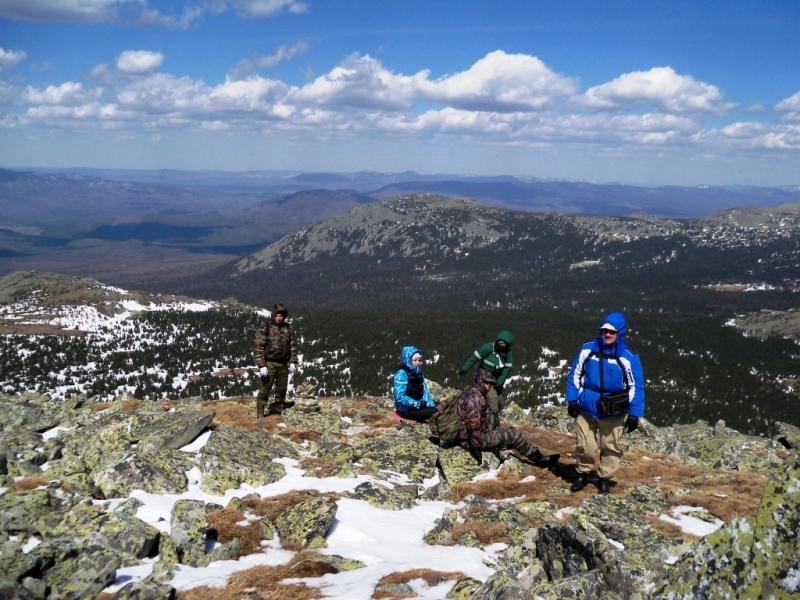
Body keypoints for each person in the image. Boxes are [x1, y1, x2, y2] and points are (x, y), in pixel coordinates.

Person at [565, 311, 645, 494]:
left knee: (610, 447)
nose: (607, 335)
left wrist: (634, 415)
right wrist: (572, 400)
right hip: (586, 407)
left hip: (613, 410)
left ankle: (604, 478)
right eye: (604, 331)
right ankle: (582, 474)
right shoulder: (587, 349)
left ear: (619, 333)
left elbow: (636, 386)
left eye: (612, 332)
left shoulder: (627, 356)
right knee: (585, 446)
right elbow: (575, 375)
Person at [457, 367, 559, 468]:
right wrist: (476, 450)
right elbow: (474, 426)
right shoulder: (473, 399)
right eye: (486, 383)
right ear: (480, 380)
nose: (489, 386)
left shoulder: (470, 389)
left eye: (490, 383)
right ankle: (539, 459)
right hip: (471, 440)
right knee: (514, 435)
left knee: (493, 417)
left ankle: (503, 443)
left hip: (464, 434)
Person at [459, 330, 514, 430]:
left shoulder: (508, 354)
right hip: (484, 378)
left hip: (496, 379)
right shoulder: (489, 347)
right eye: (499, 344)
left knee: (500, 401)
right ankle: (494, 426)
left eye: (503, 345)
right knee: (492, 399)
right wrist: (464, 369)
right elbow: (474, 358)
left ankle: (490, 419)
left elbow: (506, 369)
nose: (500, 347)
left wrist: (500, 382)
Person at [254, 303, 298, 418]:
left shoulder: (288, 328)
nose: (279, 318)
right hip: (270, 363)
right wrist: (262, 365)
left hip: (283, 364)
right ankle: (260, 412)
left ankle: (279, 409)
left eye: (281, 316)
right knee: (265, 387)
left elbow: (292, 346)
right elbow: (259, 347)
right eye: (277, 315)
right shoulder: (266, 328)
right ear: (273, 315)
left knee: (282, 388)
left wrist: (293, 361)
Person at [393, 346, 438, 422]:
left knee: (443, 406)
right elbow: (400, 397)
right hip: (405, 409)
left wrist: (430, 404)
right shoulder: (401, 374)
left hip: (419, 404)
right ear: (408, 360)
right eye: (415, 360)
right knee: (436, 412)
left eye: (419, 360)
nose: (418, 363)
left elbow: (424, 391)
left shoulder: (418, 372)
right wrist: (417, 404)